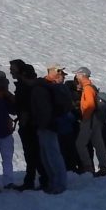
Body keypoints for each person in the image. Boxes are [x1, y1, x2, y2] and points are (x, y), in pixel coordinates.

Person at [34, 64, 71, 194]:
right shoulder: (48, 87)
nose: (62, 76)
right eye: (59, 72)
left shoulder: (53, 87)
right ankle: (55, 182)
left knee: (52, 155)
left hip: (50, 125)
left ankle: (59, 184)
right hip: (47, 124)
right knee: (47, 155)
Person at [9, 60, 43, 190]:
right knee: (33, 153)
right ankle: (35, 180)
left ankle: (37, 181)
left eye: (13, 69)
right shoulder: (27, 86)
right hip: (32, 124)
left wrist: (24, 121)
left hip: (29, 125)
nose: (11, 71)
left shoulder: (24, 87)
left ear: (21, 71)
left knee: (32, 153)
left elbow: (23, 106)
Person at [73, 67, 106, 177]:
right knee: (98, 143)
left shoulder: (87, 88)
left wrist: (85, 119)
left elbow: (90, 105)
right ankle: (104, 167)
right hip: (96, 119)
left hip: (89, 119)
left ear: (82, 75)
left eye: (77, 74)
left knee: (80, 144)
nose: (76, 77)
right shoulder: (90, 87)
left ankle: (88, 167)